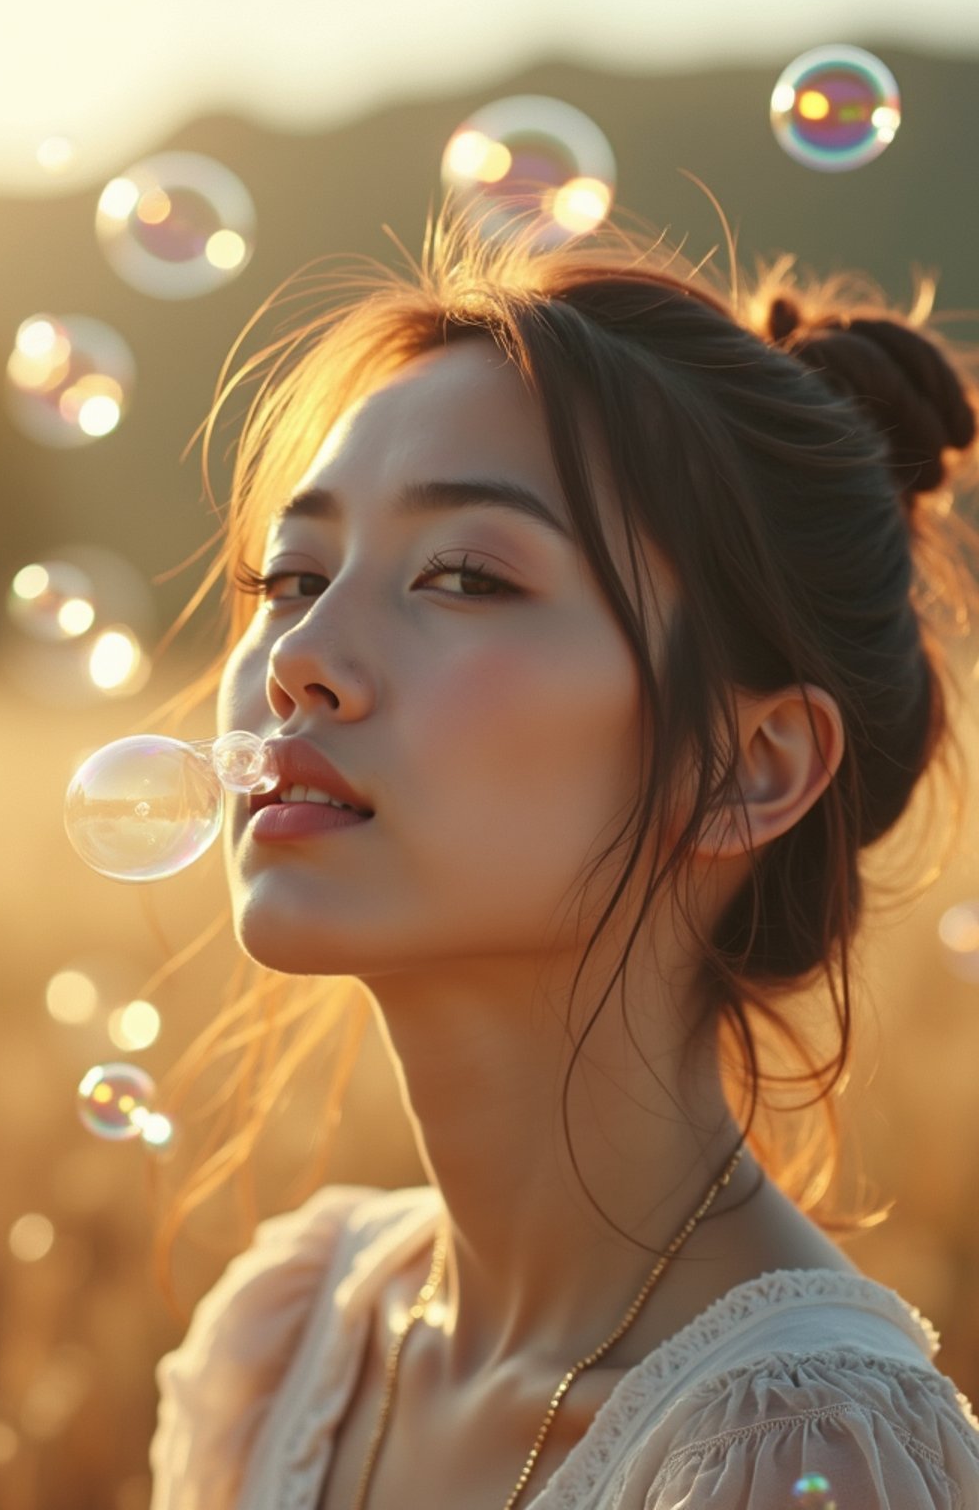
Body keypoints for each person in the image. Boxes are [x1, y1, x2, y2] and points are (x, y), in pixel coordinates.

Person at [148, 206, 979, 1509]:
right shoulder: (296, 1334)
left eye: (467, 576)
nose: (297, 660)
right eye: (293, 575)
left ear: (747, 769)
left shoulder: (800, 1457)